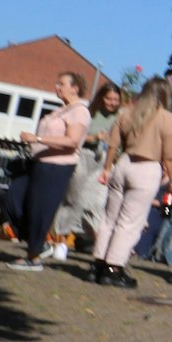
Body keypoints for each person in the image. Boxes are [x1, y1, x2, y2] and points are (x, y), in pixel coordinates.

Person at [91, 77, 172, 289]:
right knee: (130, 222)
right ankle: (113, 269)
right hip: (146, 168)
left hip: (123, 164)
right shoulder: (166, 118)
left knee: (110, 218)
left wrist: (107, 168)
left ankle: (98, 264)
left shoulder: (127, 113)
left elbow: (112, 144)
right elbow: (171, 155)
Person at [2, 73, 92, 271]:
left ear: (75, 88)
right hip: (38, 163)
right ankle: (38, 243)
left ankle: (33, 257)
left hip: (57, 167)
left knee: (40, 209)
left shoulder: (79, 111)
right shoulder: (60, 110)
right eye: (57, 83)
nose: (57, 86)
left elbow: (72, 141)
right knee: (13, 197)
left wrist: (38, 139)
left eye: (61, 84)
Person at [54, 82, 126, 244]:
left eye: (116, 99)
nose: (112, 103)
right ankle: (61, 238)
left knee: (97, 203)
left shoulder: (121, 116)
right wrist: (93, 138)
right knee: (74, 199)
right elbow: (73, 135)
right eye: (109, 99)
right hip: (84, 159)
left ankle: (99, 245)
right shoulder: (88, 113)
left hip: (105, 163)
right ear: (101, 98)